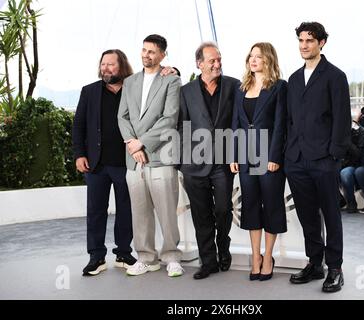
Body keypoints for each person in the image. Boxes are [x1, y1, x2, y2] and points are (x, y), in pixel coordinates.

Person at [284, 22, 351, 293]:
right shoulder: (293, 79)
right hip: (297, 160)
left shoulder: (335, 76)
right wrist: (289, 154)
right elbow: (290, 120)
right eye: (301, 40)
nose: (304, 45)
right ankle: (315, 263)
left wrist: (333, 156)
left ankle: (335, 268)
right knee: (307, 216)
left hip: (324, 159)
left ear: (321, 43)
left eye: (309, 40)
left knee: (331, 216)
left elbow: (342, 120)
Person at [117, 34, 184, 277]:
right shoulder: (130, 82)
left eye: (152, 52)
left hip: (160, 156)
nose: (146, 55)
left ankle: (172, 257)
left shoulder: (171, 80)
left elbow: (170, 118)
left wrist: (141, 144)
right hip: (134, 160)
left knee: (167, 210)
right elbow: (122, 117)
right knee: (140, 212)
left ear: (162, 55)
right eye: (144, 50)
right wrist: (133, 146)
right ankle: (146, 257)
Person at [178, 42, 239, 280]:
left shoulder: (234, 86)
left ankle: (223, 245)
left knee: (224, 209)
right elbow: (181, 127)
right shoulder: (186, 91)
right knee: (201, 214)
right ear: (199, 63)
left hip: (224, 162)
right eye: (212, 60)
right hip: (194, 163)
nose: (217, 64)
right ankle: (208, 261)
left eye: (219, 59)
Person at [72, 49, 137, 276]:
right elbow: (78, 125)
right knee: (95, 211)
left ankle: (123, 253)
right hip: (95, 165)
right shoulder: (89, 91)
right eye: (103, 64)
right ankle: (96, 257)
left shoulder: (134, 89)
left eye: (111, 65)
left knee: (126, 211)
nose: (106, 68)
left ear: (122, 67)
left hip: (125, 163)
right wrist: (79, 154)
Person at [230, 42, 287, 281]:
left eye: (259, 57)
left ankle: (268, 256)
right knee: (251, 205)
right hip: (246, 156)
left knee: (271, 205)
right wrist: (233, 154)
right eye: (251, 56)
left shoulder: (279, 87)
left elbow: (281, 124)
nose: (253, 60)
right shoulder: (242, 87)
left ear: (268, 60)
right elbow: (235, 123)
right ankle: (255, 257)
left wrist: (274, 157)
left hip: (269, 156)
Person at [339, 120, 364, 213]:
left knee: (345, 173)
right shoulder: (336, 132)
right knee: (325, 171)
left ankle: (351, 203)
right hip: (341, 163)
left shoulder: (361, 131)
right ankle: (340, 200)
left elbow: (358, 154)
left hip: (356, 164)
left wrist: (347, 140)